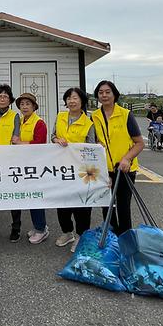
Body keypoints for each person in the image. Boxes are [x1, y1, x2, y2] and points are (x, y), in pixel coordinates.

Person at [91, 81, 145, 236]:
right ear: (97, 96)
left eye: (108, 92)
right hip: (103, 171)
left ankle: (126, 239)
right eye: (101, 92)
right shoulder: (94, 117)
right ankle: (111, 239)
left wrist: (127, 159)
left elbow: (139, 143)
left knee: (123, 206)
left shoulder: (126, 114)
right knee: (106, 207)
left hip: (124, 169)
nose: (104, 95)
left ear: (114, 94)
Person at [52, 87, 96, 252]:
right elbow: (53, 135)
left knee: (81, 206)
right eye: (69, 98)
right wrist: (56, 139)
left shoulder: (88, 123)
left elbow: (92, 147)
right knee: (62, 203)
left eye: (75, 98)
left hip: (82, 171)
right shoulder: (61, 117)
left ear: (82, 101)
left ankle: (80, 236)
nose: (72, 101)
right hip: (62, 168)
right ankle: (67, 232)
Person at [0, 84, 22, 241]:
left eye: (5, 96)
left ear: (10, 100)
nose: (2, 98)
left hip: (10, 162)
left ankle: (16, 228)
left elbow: (16, 137)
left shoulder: (15, 116)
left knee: (13, 197)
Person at [13, 92, 50, 244]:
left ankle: (41, 229)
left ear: (34, 106)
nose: (24, 106)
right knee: (29, 197)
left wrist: (20, 143)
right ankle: (38, 226)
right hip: (23, 165)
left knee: (35, 197)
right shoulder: (21, 121)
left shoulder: (39, 123)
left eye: (28, 104)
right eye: (22, 104)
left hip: (35, 166)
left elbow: (40, 144)